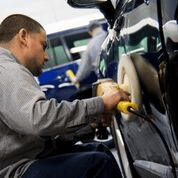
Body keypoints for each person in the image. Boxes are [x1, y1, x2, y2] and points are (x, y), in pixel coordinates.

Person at [0, 14, 130, 178]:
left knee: (99, 150)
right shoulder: (5, 68)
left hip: (27, 159)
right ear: (23, 36)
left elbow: (41, 142)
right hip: (14, 171)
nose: (46, 56)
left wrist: (89, 125)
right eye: (43, 45)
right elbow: (40, 120)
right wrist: (102, 103)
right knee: (98, 164)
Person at [73, 20, 107, 87]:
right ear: (100, 27)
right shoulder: (110, 35)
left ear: (90, 32)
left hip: (105, 76)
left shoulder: (91, 44)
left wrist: (76, 79)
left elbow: (85, 65)